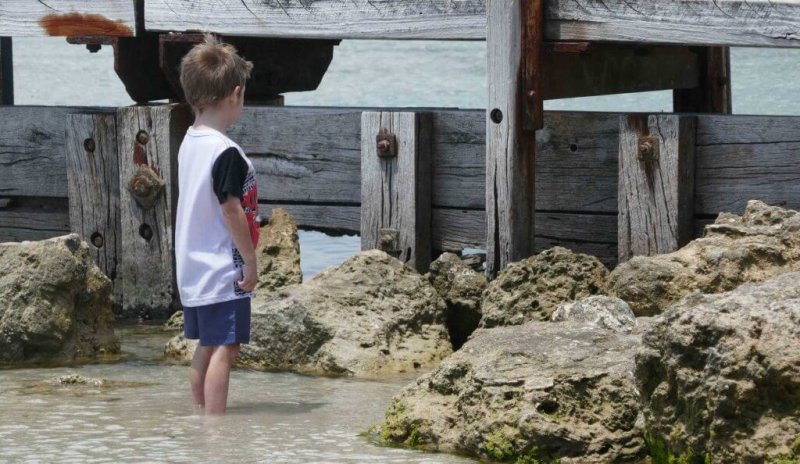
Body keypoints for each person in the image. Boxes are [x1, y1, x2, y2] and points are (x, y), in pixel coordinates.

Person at [174, 34, 258, 415]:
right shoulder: (226, 152)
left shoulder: (189, 141)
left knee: (206, 343)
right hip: (222, 268)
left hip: (193, 266)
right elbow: (231, 210)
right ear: (235, 94)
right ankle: (215, 426)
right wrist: (250, 260)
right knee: (227, 345)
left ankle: (199, 415)